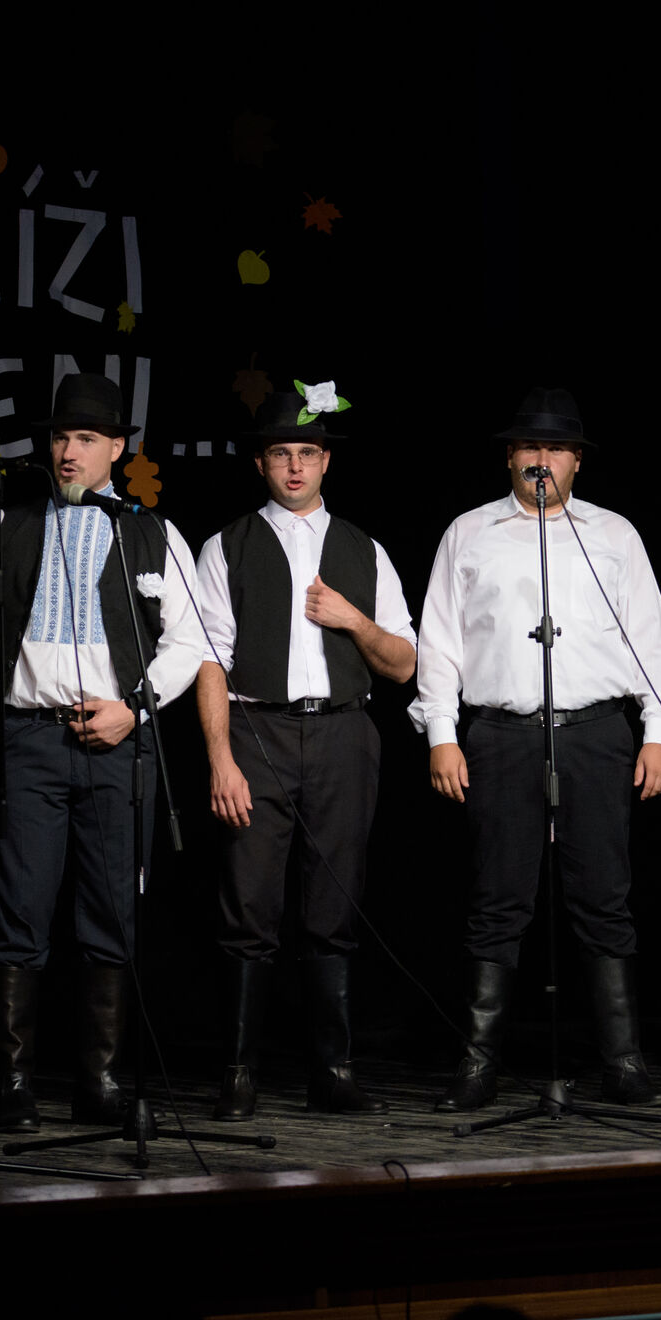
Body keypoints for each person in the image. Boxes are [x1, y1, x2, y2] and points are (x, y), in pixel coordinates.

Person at [413, 387, 661, 1111]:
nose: (544, 459)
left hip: (595, 735)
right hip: (502, 735)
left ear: (577, 461)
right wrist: (441, 733)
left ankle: (623, 1063)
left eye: (557, 449)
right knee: (498, 899)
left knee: (604, 896)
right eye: (531, 447)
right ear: (511, 456)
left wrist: (658, 733)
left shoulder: (614, 535)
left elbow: (651, 641)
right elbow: (439, 642)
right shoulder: (469, 533)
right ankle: (478, 1064)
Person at [0, 373, 209, 1130]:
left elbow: (188, 641)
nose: (68, 451)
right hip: (28, 735)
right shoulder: (7, 524)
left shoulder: (150, 531)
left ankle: (99, 1079)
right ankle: (13, 1082)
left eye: (86, 438)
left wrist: (135, 708)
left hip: (118, 742)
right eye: (61, 437)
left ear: (117, 448)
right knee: (18, 905)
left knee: (111, 908)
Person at [196, 386, 417, 1119]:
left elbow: (404, 664)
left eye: (308, 453)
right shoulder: (227, 545)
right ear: (261, 464)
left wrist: (353, 619)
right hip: (256, 731)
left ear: (326, 461)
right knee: (249, 906)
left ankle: (333, 1070)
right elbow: (209, 658)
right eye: (281, 453)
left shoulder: (363, 548)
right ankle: (238, 1072)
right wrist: (221, 758)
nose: (295, 466)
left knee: (334, 906)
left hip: (343, 735)